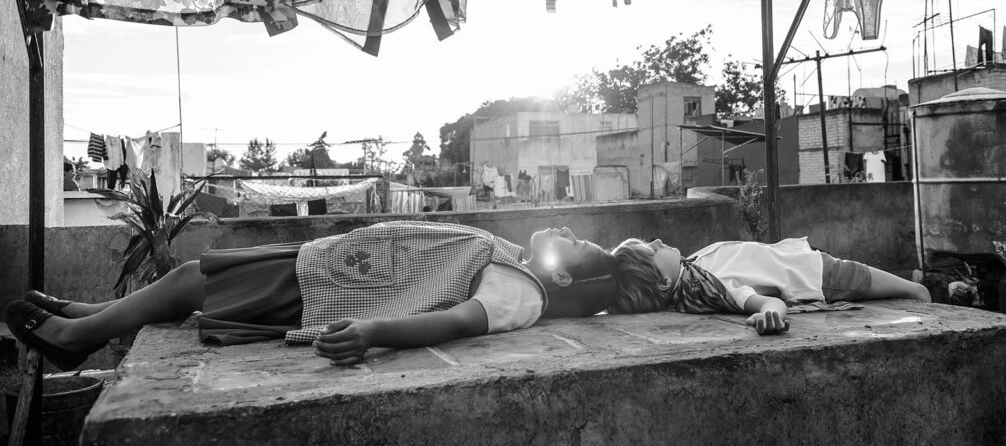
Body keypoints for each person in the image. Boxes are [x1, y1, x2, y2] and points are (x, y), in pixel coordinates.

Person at [7, 222, 616, 371]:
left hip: (327, 290)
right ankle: (89, 316)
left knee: (195, 279)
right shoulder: (512, 258)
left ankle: (75, 338)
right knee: (191, 280)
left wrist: (372, 334)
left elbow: (459, 320)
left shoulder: (522, 291)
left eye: (576, 245)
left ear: (561, 277)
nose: (566, 233)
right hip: (328, 267)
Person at [608, 237, 931, 335]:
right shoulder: (710, 287)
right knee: (916, 292)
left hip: (812, 264)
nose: (659, 241)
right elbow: (762, 303)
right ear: (664, 282)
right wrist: (770, 316)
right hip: (824, 278)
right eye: (652, 251)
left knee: (912, 292)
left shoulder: (693, 271)